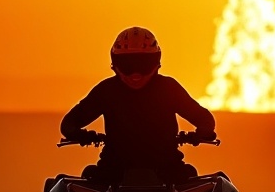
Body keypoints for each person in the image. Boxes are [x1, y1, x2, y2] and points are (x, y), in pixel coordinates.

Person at [61, 26, 216, 182]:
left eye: (143, 64)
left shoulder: (168, 88)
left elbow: (204, 118)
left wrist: (203, 131)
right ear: (115, 64)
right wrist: (79, 134)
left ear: (156, 62)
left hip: (167, 171)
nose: (136, 73)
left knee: (214, 191)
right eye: (128, 65)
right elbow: (69, 123)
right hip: (113, 172)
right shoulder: (106, 91)